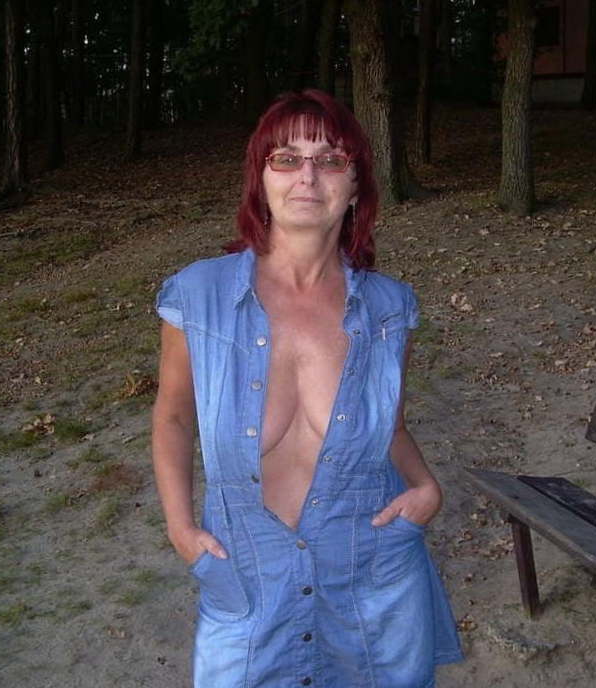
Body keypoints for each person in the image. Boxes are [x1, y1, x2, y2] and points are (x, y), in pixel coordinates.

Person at [151, 89, 463, 688]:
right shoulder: (197, 297)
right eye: (287, 158)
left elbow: (392, 425)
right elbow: (173, 418)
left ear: (356, 184)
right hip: (247, 576)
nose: (308, 176)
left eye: (331, 160)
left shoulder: (390, 309)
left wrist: (425, 486)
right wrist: (180, 527)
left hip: (371, 578)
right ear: (261, 178)